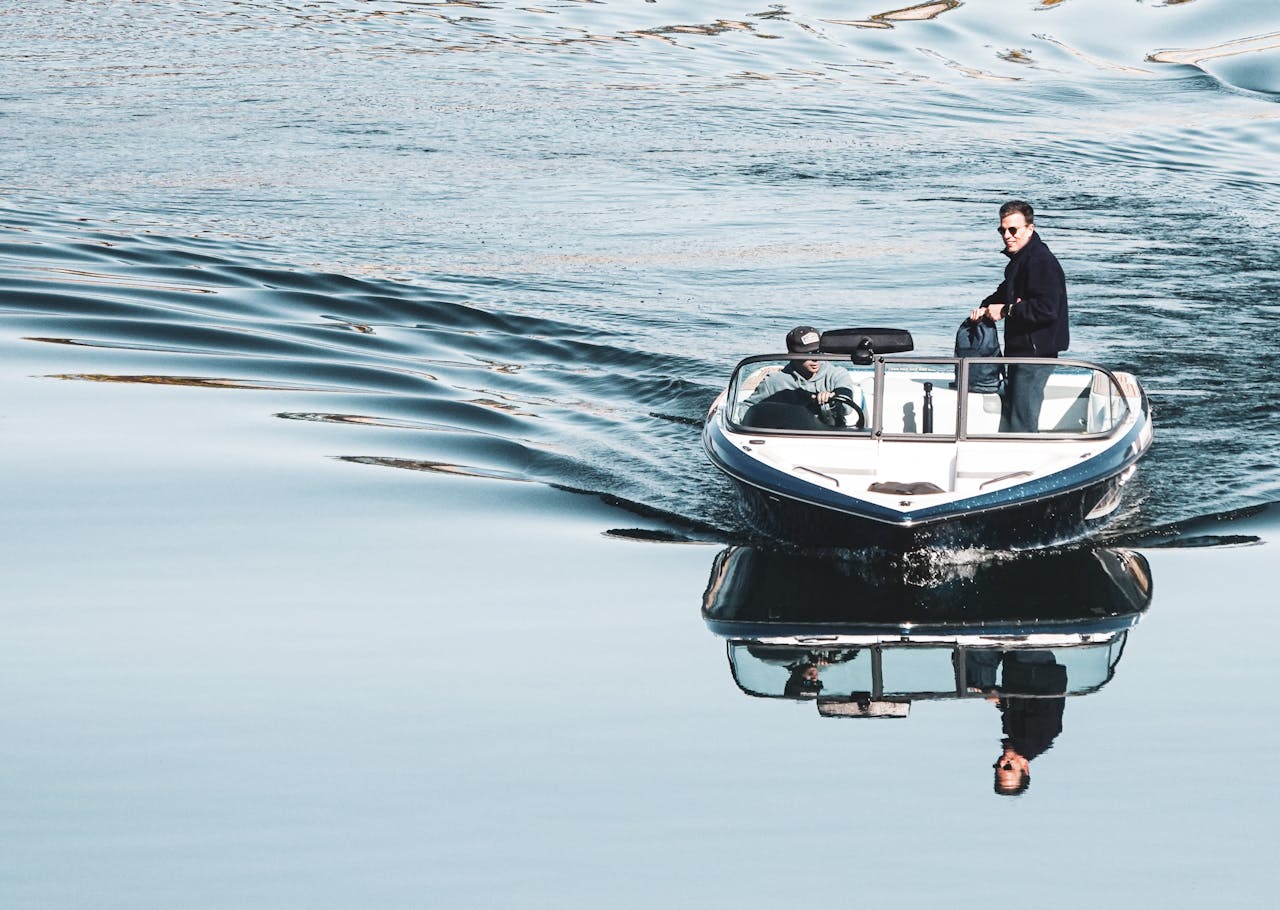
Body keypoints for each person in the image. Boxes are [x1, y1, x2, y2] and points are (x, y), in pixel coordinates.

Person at [968, 200, 1069, 433]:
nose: (1007, 235)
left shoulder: (1040, 262)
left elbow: (1047, 309)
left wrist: (1005, 310)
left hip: (1035, 355)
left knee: (1023, 420)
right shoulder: (1021, 261)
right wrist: (985, 309)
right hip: (1020, 352)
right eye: (1002, 230)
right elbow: (1005, 292)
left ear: (1029, 229)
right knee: (1013, 412)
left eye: (1013, 230)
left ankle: (1027, 465)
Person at [742, 326, 857, 429]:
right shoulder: (773, 382)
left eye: (818, 352)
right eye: (808, 353)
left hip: (829, 436)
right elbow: (746, 410)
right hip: (787, 436)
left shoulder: (837, 374)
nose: (815, 359)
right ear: (791, 354)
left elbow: (847, 406)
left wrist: (833, 402)